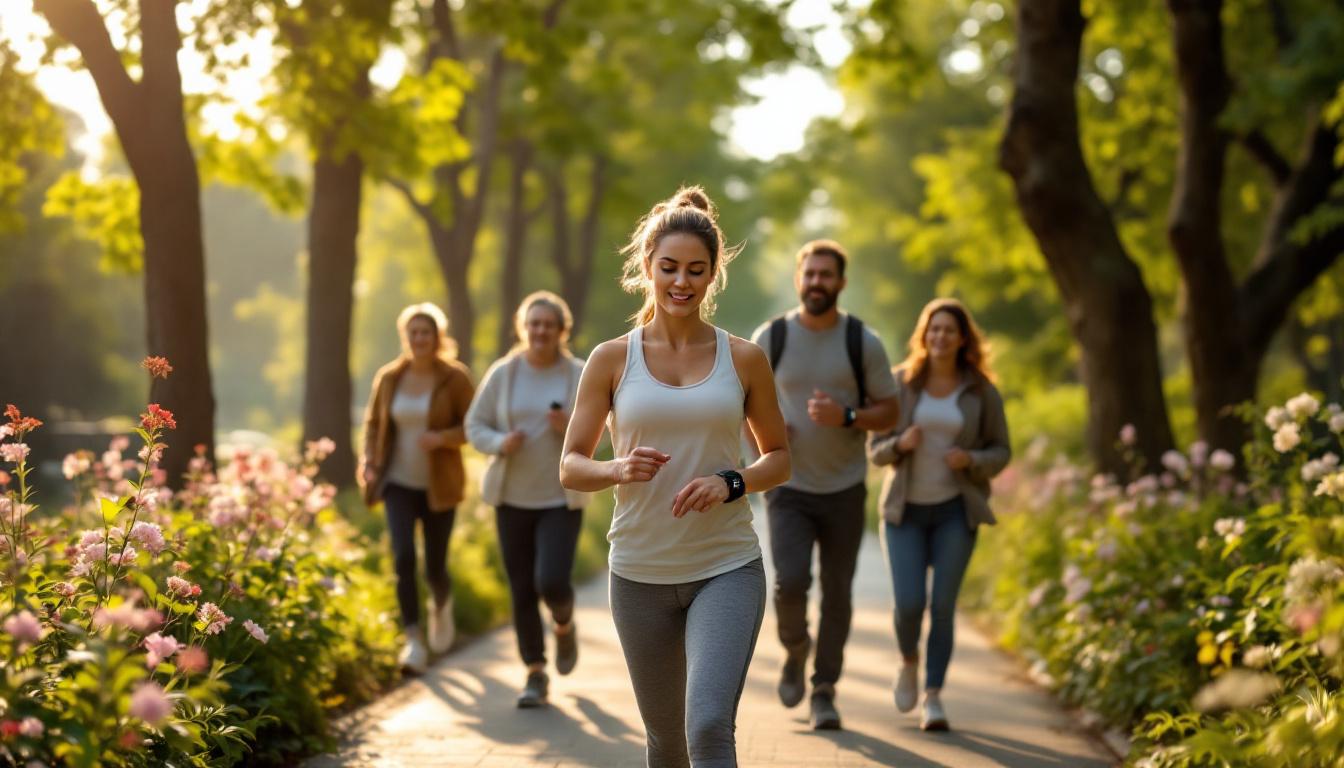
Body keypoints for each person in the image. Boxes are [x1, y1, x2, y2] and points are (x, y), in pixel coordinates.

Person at [560, 186, 790, 767]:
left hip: (726, 566)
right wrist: (616, 468)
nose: (681, 283)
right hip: (638, 574)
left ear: (714, 275)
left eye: (695, 270)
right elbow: (571, 465)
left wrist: (731, 481)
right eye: (669, 269)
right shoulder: (612, 359)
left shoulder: (744, 358)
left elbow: (780, 457)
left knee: (709, 725)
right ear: (648, 268)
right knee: (666, 743)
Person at [749, 239, 900, 730]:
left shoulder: (862, 341)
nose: (817, 282)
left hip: (845, 487)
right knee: (789, 583)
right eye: (809, 273)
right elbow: (741, 401)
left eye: (826, 275)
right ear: (799, 279)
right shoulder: (771, 338)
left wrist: (848, 415)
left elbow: (891, 410)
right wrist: (764, 433)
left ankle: (824, 689)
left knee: (838, 591)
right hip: (788, 485)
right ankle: (796, 648)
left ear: (841, 282)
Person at [867, 298, 1010, 731]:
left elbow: (1002, 450)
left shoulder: (982, 391)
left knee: (943, 606)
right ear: (923, 335)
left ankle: (933, 696)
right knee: (910, 604)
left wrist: (971, 459)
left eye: (949, 330)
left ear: (963, 338)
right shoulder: (900, 384)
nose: (940, 336)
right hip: (904, 511)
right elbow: (875, 450)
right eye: (934, 329)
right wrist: (899, 445)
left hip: (955, 512)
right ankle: (908, 661)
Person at [466, 291, 589, 708]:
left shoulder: (579, 372)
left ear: (561, 330)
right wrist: (501, 441)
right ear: (523, 328)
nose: (540, 331)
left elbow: (607, 429)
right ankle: (535, 672)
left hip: (560, 497)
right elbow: (474, 425)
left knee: (551, 582)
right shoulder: (505, 373)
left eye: (548, 324)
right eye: (533, 324)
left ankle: (564, 621)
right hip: (511, 498)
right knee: (521, 589)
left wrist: (569, 425)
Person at [359, 302, 475, 675]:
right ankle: (413, 641)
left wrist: (442, 437)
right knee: (404, 557)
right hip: (397, 482)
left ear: (437, 337)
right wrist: (368, 460)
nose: (419, 338)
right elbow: (374, 423)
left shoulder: (455, 378)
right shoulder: (390, 377)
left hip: (439, 486)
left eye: (426, 332)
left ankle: (440, 606)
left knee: (435, 566)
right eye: (413, 332)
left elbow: (473, 427)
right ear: (405, 337)